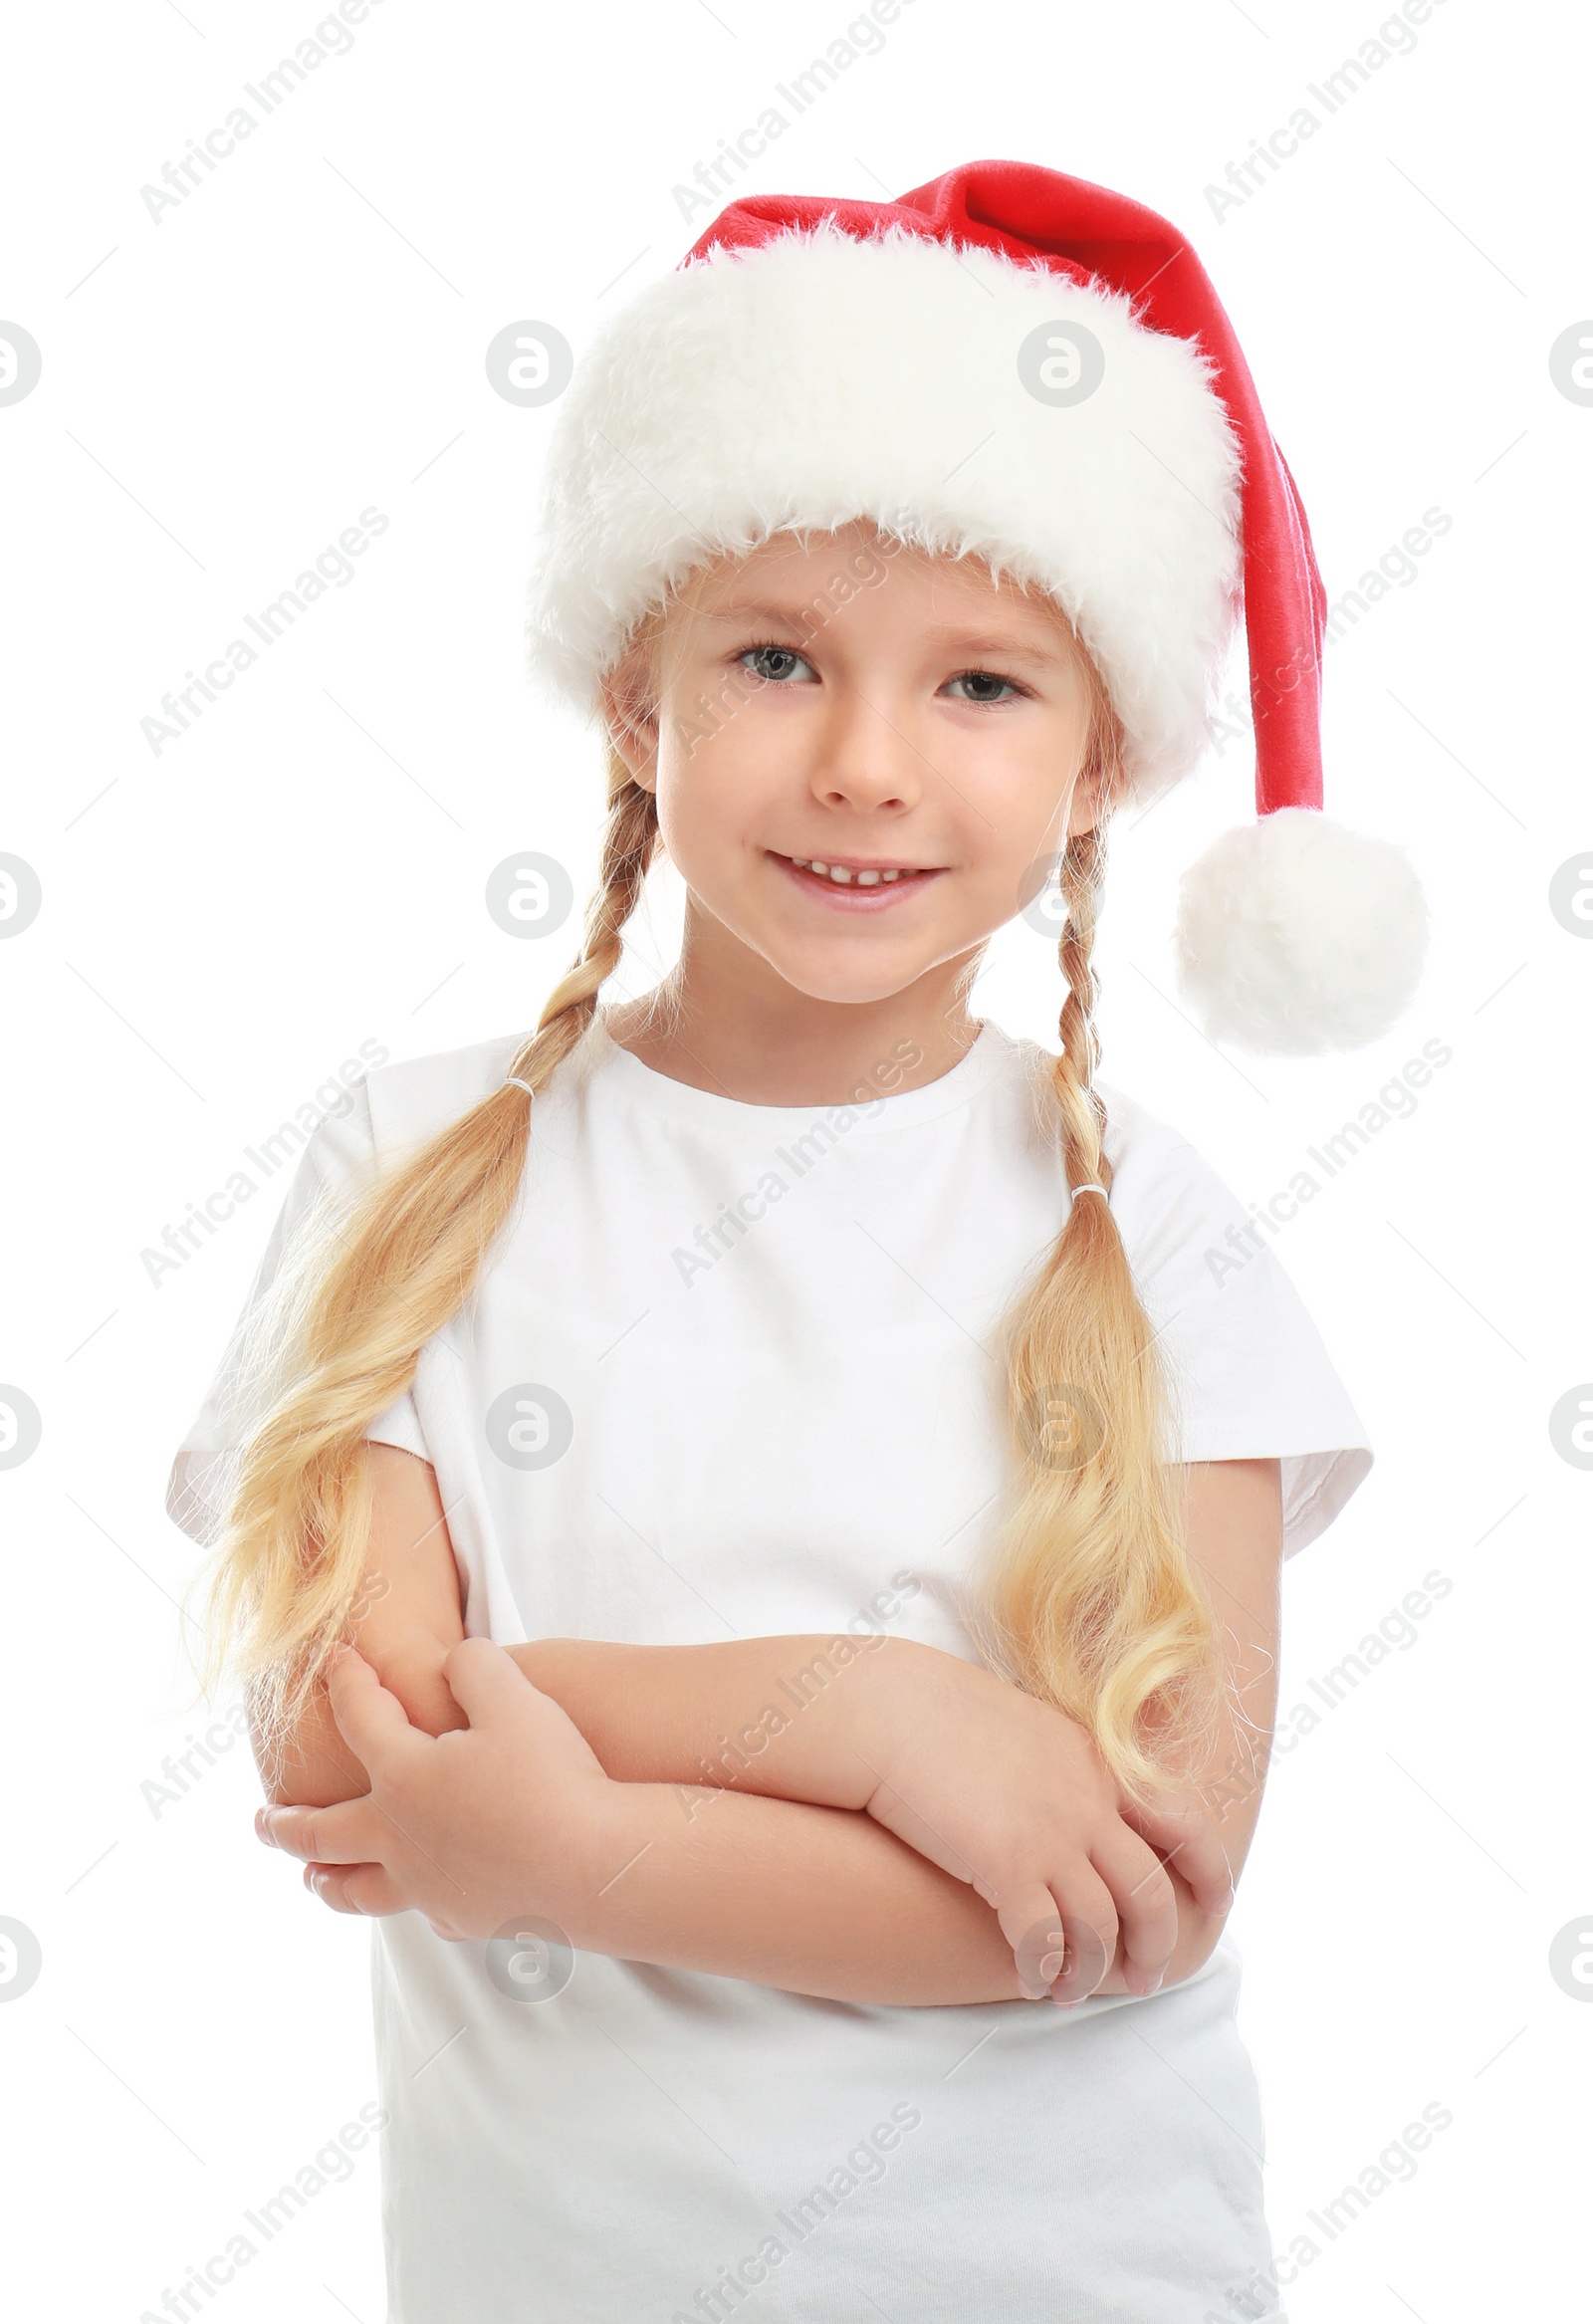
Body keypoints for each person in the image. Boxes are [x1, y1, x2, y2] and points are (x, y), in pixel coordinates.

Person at [167, 160, 1426, 2323]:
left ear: (1099, 759)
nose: (863, 765)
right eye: (773, 656)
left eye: (980, 689)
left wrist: (575, 1841)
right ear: (635, 702)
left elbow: (1139, 1890)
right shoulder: (415, 1165)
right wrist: (864, 1721)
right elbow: (342, 1754)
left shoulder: (1157, 1248)